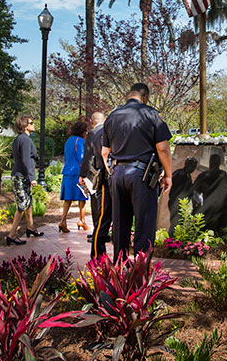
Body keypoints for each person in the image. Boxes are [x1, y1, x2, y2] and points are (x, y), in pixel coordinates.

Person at [102, 82, 173, 261]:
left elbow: (105, 152)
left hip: (117, 175)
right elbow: (163, 148)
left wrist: (112, 170)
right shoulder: (151, 114)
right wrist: (168, 175)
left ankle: (120, 274)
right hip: (141, 176)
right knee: (144, 225)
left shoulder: (112, 116)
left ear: (129, 94)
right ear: (145, 97)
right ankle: (140, 275)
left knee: (119, 226)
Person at [7, 115, 44, 245]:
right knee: (22, 205)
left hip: (21, 176)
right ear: (25, 125)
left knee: (28, 202)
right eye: (31, 123)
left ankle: (31, 227)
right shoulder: (25, 140)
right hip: (21, 176)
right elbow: (25, 160)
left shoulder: (20, 139)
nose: (34, 125)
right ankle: (12, 234)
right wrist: (32, 177)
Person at [80, 111, 111, 258]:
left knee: (98, 208)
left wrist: (83, 175)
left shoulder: (93, 133)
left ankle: (97, 240)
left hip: (98, 175)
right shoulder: (109, 130)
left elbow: (88, 156)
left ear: (92, 122)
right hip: (113, 174)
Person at [59, 120, 89, 233]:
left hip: (67, 171)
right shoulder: (80, 141)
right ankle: (82, 221)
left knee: (68, 198)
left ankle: (63, 221)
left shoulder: (68, 141)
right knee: (83, 197)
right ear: (82, 131)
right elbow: (81, 157)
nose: (87, 133)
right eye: (86, 131)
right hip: (77, 172)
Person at [168, 157, 198, 235]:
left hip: (181, 204)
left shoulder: (187, 175)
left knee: (179, 224)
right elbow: (177, 191)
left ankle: (176, 240)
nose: (194, 169)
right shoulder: (180, 174)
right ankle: (171, 240)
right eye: (193, 166)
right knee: (175, 223)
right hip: (176, 203)